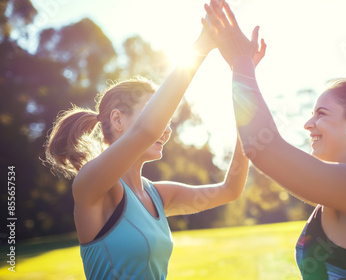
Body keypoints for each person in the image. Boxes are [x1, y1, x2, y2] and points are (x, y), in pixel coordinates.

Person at [202, 1, 346, 279]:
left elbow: (262, 148)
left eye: (321, 114)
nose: (308, 124)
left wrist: (241, 63)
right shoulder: (334, 192)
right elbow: (255, 145)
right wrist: (242, 70)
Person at [43, 19, 266, 279]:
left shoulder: (158, 195)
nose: (166, 128)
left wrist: (244, 77)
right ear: (117, 120)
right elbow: (147, 130)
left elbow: (231, 189)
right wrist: (203, 45)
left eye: (167, 120)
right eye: (158, 116)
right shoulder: (92, 185)